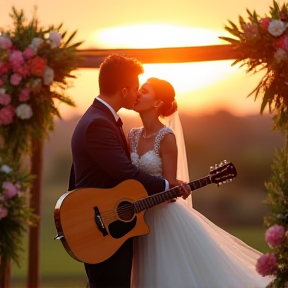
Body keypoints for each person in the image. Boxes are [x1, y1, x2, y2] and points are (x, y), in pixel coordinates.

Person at [129, 77, 274, 288]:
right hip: (137, 217)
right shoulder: (131, 136)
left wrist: (172, 186)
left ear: (157, 103)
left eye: (144, 90)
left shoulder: (165, 137)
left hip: (161, 219)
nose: (138, 93)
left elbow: (168, 184)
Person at [68, 55, 190, 288]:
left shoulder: (104, 120)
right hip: (103, 225)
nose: (137, 93)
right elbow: (125, 172)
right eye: (136, 88)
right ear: (124, 90)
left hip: (122, 222)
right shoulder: (98, 123)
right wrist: (167, 186)